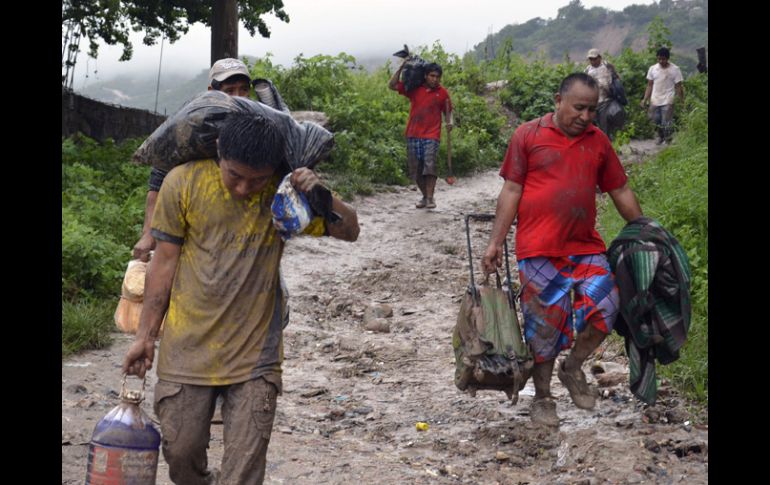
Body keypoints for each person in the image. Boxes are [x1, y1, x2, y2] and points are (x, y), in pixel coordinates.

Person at [122, 112, 359, 485]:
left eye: (256, 180)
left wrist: (320, 193)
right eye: (234, 175)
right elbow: (163, 265)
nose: (244, 189)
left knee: (244, 472)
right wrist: (144, 338)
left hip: (255, 357)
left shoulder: (283, 196)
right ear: (219, 151)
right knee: (180, 454)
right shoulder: (182, 184)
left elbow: (350, 231)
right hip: (187, 348)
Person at [481, 73, 643, 428]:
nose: (586, 117)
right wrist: (496, 241)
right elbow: (511, 191)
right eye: (579, 108)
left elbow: (620, 191)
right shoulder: (528, 135)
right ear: (558, 100)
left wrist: (644, 230)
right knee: (543, 326)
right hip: (538, 252)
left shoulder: (598, 142)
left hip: (585, 249)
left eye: (592, 110)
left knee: (607, 305)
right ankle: (542, 398)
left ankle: (572, 367)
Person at [132, 58, 253, 262]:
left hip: (243, 232)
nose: (238, 97)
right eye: (230, 90)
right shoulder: (192, 126)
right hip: (196, 225)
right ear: (211, 90)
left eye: (243, 90)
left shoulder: (256, 124)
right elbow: (158, 179)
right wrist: (148, 234)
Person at [388, 59, 453, 209]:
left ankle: (430, 198)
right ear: (425, 76)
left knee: (429, 166)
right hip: (413, 133)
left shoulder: (442, 93)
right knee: (416, 169)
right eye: (432, 76)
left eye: (437, 77)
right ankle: (425, 196)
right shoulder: (414, 89)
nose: (435, 79)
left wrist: (450, 122)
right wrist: (401, 67)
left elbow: (448, 110)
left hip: (432, 135)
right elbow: (392, 85)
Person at [641, 47, 685, 144]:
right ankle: (660, 136)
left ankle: (668, 139)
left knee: (666, 121)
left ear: (667, 58)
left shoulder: (675, 69)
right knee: (654, 119)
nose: (661, 61)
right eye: (659, 59)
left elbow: (678, 87)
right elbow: (649, 85)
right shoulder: (653, 69)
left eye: (663, 59)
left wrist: (681, 101)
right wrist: (645, 99)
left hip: (668, 99)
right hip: (655, 99)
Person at [584, 48, 622, 140]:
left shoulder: (607, 66)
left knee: (604, 125)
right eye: (591, 59)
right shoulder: (587, 70)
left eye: (594, 58)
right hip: (593, 102)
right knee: (594, 124)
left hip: (606, 100)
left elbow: (617, 79)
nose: (593, 61)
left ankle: (607, 143)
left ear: (599, 57)